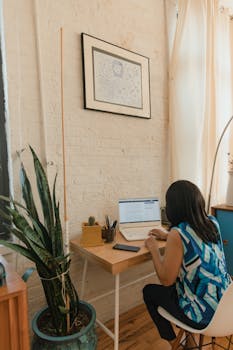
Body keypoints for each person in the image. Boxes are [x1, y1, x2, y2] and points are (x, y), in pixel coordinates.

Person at [143, 180, 231, 349]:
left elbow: (166, 280)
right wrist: (168, 235)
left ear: (173, 208)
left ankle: (177, 344)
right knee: (182, 285)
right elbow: (193, 238)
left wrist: (154, 249)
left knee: (150, 292)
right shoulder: (213, 223)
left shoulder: (178, 234)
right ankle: (188, 342)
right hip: (226, 308)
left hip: (203, 316)